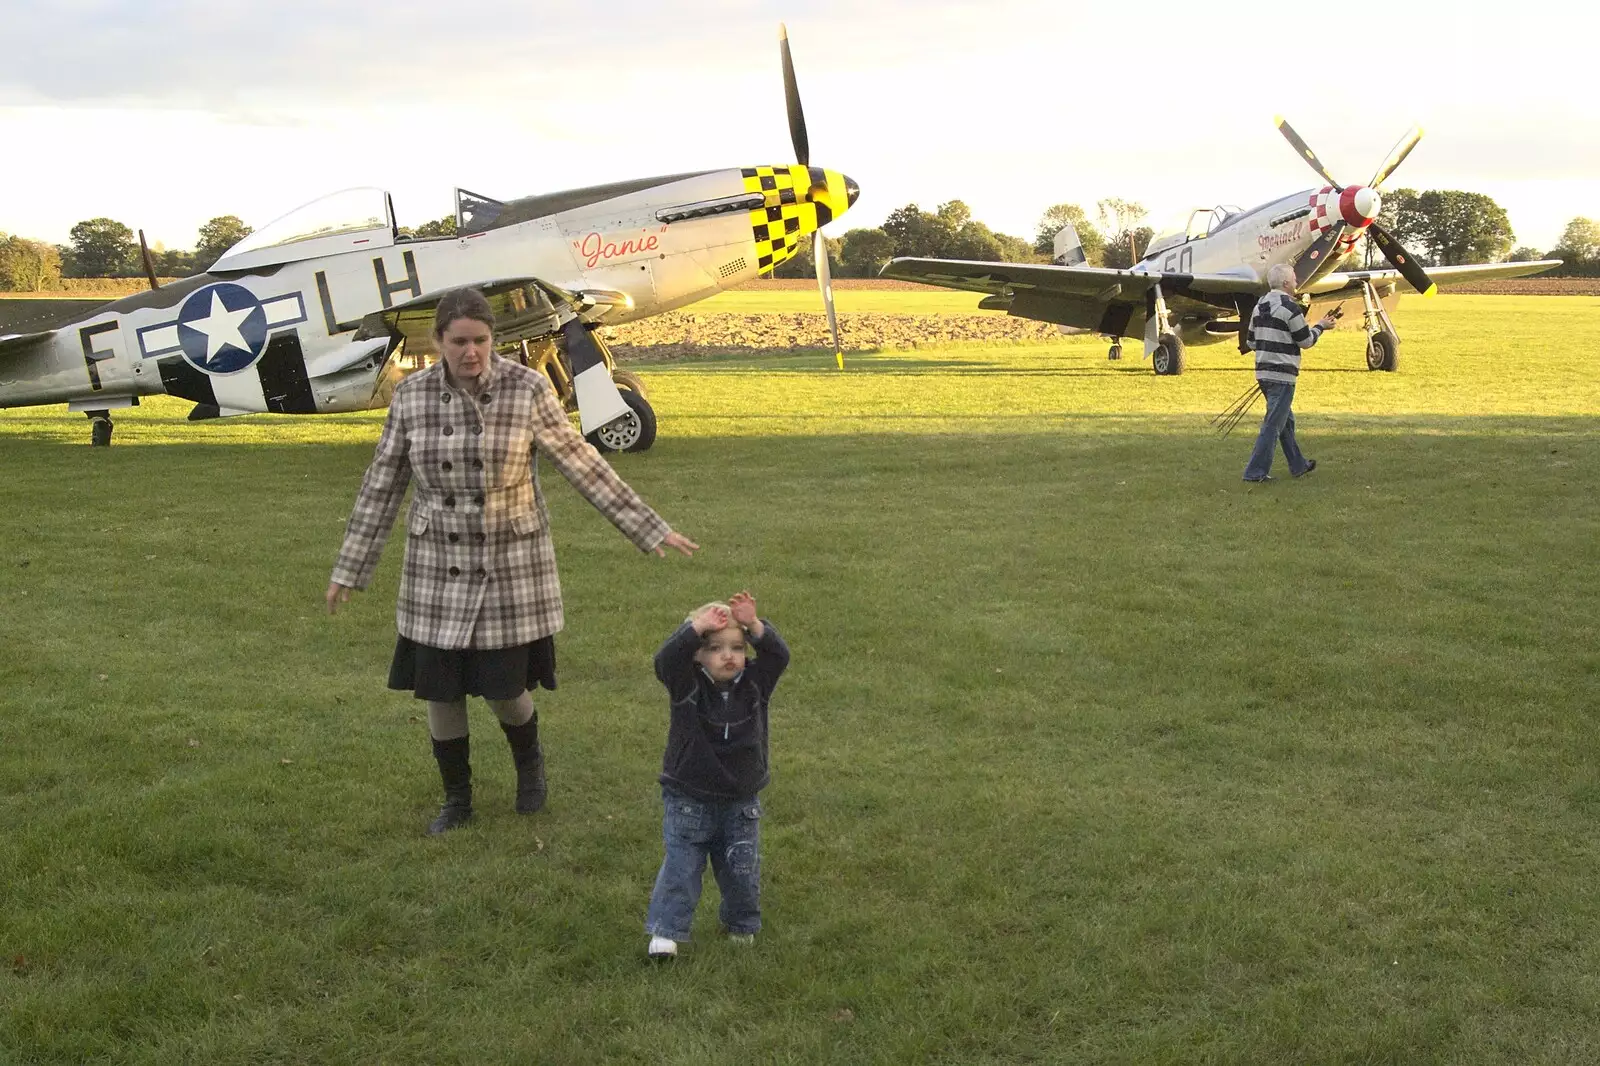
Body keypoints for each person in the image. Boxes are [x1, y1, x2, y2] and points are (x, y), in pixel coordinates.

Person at [326, 287, 698, 835]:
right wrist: (349, 569)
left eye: (480, 340)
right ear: (438, 343)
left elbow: (581, 463)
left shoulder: (526, 389)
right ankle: (457, 799)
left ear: (493, 340)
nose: (471, 352)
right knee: (440, 691)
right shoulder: (411, 397)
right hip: (437, 566)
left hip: (509, 564)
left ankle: (530, 764)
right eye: (459, 342)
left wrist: (647, 526)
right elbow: (382, 484)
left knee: (506, 691)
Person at [645, 591, 789, 959]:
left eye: (738, 647)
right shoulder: (686, 685)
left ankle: (742, 926)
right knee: (681, 866)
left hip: (740, 800)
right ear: (696, 654)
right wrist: (695, 628)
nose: (728, 656)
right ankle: (666, 933)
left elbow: (778, 656)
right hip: (688, 797)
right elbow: (665, 660)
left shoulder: (756, 684)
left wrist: (755, 625)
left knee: (741, 867)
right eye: (714, 647)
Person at [1242, 262, 1338, 482]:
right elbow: (1305, 341)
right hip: (1283, 376)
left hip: (1263, 374)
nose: (1297, 282)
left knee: (1286, 422)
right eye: (1294, 278)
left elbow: (1250, 341)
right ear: (1286, 283)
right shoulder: (1290, 307)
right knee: (1273, 425)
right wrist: (1321, 326)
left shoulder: (1260, 306)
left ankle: (1298, 465)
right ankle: (1255, 472)